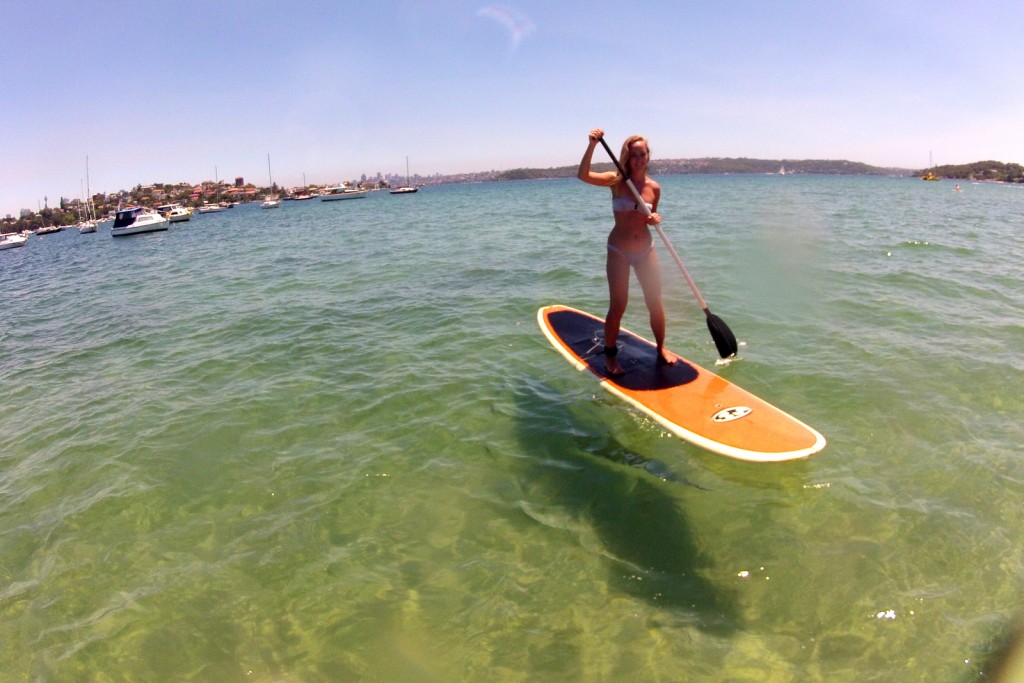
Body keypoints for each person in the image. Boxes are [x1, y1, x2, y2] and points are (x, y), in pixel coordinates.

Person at [577, 128, 675, 376]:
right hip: (618, 250)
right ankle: (610, 356)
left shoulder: (655, 187)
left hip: (645, 249)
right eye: (634, 155)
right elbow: (583, 175)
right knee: (618, 305)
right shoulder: (616, 181)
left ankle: (661, 348)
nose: (639, 159)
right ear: (627, 157)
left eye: (642, 154)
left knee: (655, 303)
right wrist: (592, 146)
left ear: (648, 156)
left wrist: (653, 219)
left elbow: (647, 217)